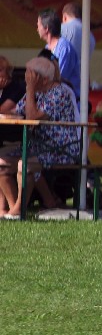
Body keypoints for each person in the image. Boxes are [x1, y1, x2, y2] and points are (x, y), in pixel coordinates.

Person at [0, 57, 80, 218]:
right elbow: (17, 111)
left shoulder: (58, 93)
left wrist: (29, 89)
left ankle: (18, 210)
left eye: (31, 75)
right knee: (1, 163)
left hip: (59, 148)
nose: (27, 78)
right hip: (38, 146)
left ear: (43, 79)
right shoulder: (39, 93)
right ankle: (13, 207)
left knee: (26, 163)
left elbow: (32, 118)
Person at [37, 8, 80, 100]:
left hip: (67, 100)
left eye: (39, 26)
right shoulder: (47, 48)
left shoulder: (64, 47)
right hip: (51, 98)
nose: (37, 29)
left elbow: (58, 77)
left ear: (46, 28)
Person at [61, 2, 96, 88]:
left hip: (63, 82)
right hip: (81, 83)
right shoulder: (91, 35)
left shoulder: (62, 28)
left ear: (65, 17)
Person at [0, 57, 27, 145]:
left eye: (0, 70)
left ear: (8, 72)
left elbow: (3, 109)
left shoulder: (17, 88)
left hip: (11, 131)